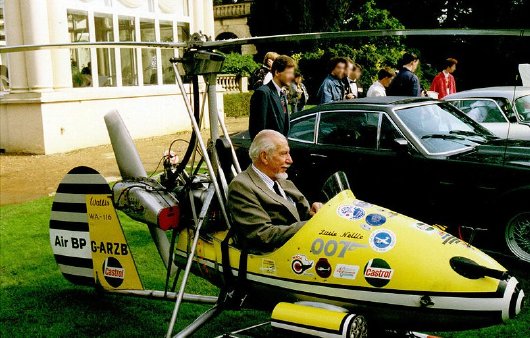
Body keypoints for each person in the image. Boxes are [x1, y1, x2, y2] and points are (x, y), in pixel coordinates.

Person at [227, 130, 323, 253]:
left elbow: (298, 214)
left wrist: (315, 212)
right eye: (284, 154)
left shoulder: (282, 179)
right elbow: (263, 234)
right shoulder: (241, 186)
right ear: (264, 157)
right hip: (273, 258)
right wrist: (311, 226)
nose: (290, 160)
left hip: (300, 250)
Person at [249, 55, 296, 139]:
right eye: (289, 73)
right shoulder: (262, 93)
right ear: (277, 72)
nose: (292, 77)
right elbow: (258, 132)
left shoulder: (282, 94)